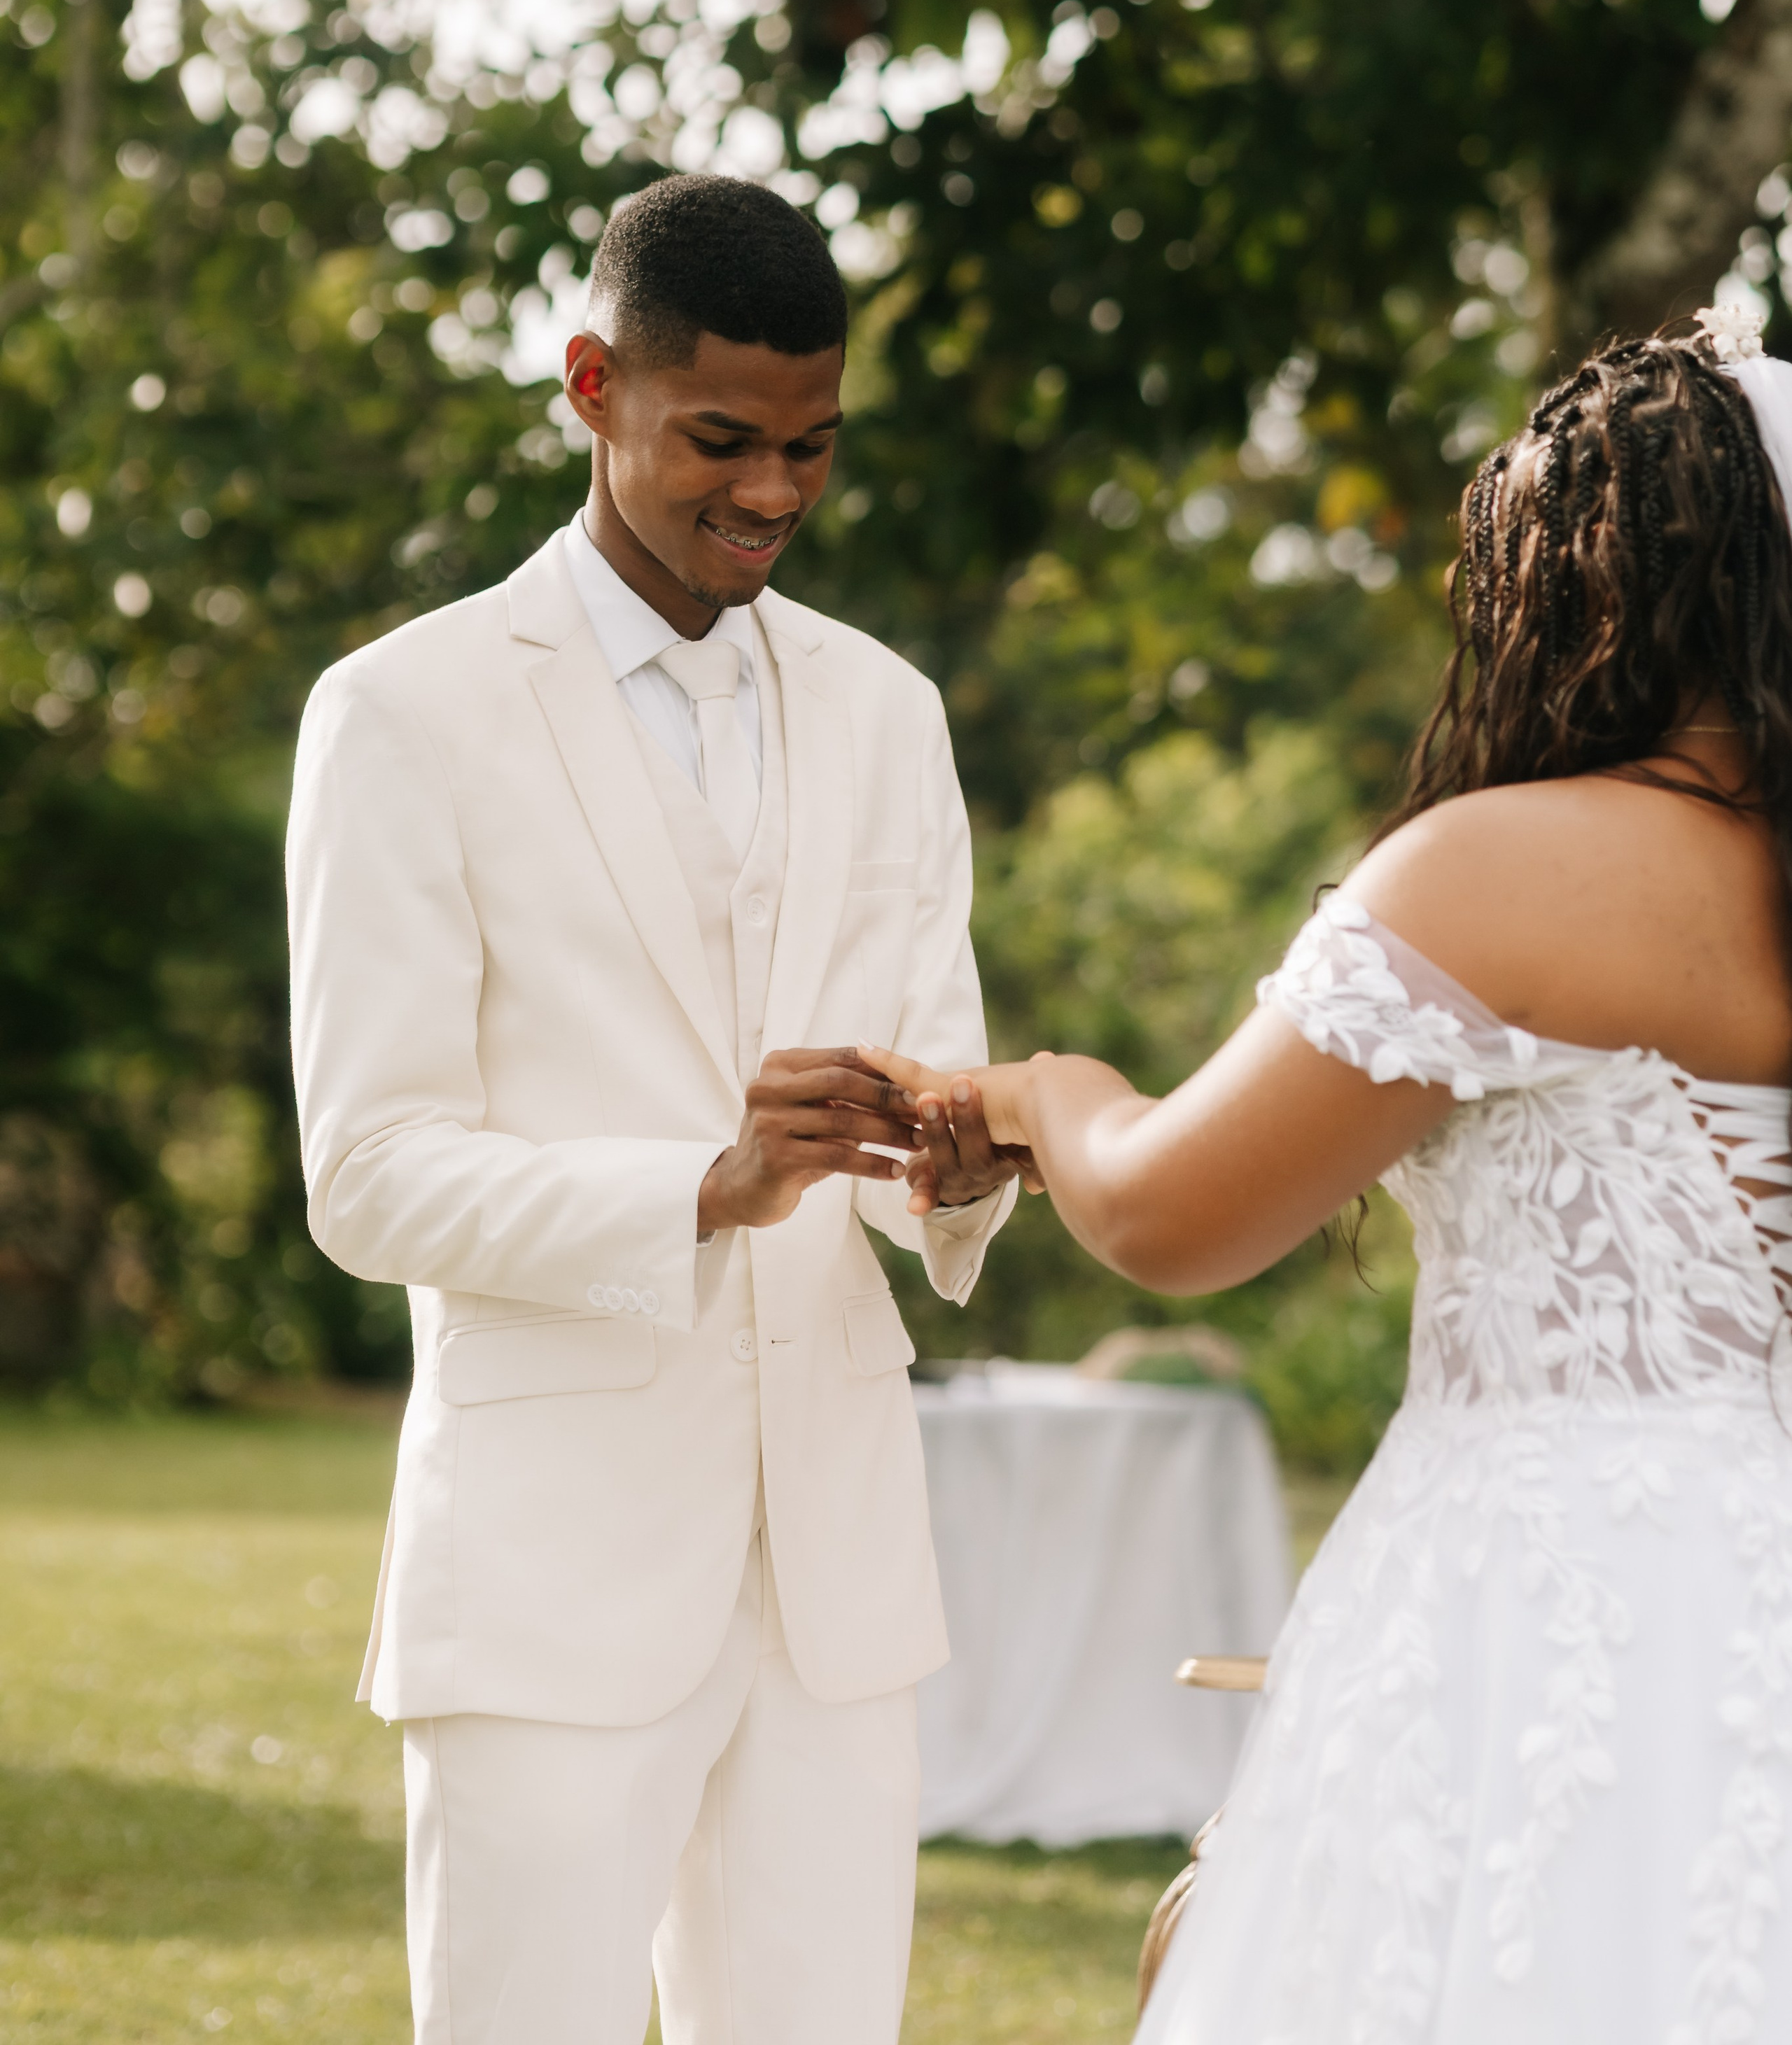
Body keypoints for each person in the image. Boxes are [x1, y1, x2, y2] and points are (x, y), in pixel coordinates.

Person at [871, 317, 1792, 2043]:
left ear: (1585, 578)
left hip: (1535, 1602)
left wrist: (1042, 1094)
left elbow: (1167, 1210)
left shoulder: (1505, 870)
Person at [286, 172, 1022, 2045]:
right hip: (551, 1573)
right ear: (591, 383)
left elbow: (932, 1080)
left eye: (813, 449)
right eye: (720, 441)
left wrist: (955, 1169)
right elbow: (367, 1175)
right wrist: (704, 1183)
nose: (771, 492)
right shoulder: (405, 713)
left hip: (838, 1583)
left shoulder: (889, 713)